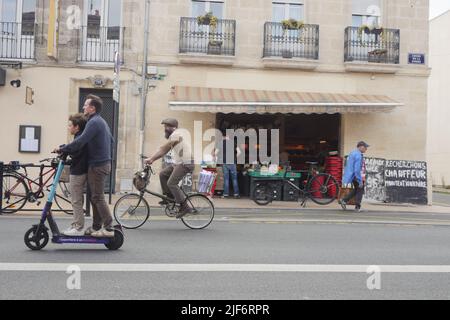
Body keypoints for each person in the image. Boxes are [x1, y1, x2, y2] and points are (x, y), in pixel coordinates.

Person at [56, 94, 114, 237]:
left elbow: (81, 141)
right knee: (94, 197)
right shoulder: (100, 121)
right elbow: (111, 141)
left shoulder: (94, 122)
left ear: (92, 108)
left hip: (97, 165)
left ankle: (108, 228)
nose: (83, 107)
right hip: (101, 163)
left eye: (85, 105)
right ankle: (95, 227)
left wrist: (63, 149)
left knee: (97, 197)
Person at [144, 118, 195, 218]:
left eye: (168, 127)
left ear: (174, 128)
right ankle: (169, 198)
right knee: (163, 174)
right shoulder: (173, 136)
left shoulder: (176, 135)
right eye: (165, 126)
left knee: (171, 183)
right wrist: (151, 157)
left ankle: (185, 207)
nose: (165, 129)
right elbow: (162, 148)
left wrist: (152, 159)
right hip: (178, 163)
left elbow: (164, 150)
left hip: (186, 163)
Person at [62, 114, 88, 236]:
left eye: (70, 125)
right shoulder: (80, 136)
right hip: (80, 170)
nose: (68, 128)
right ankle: (77, 225)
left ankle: (78, 227)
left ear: (76, 127)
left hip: (78, 172)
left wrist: (63, 150)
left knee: (76, 200)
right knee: (78, 200)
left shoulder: (79, 138)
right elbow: (76, 154)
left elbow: (76, 153)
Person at [339, 141, 369, 213]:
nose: (366, 149)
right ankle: (357, 207)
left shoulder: (352, 152)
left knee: (356, 189)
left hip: (351, 175)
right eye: (365, 147)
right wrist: (360, 180)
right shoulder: (358, 155)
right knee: (360, 189)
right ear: (361, 147)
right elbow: (357, 169)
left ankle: (344, 200)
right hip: (356, 175)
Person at [213, 133, 241, 199]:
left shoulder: (220, 143)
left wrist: (217, 157)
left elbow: (216, 153)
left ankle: (226, 194)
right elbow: (239, 152)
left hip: (225, 163)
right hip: (232, 162)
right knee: (234, 179)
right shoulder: (233, 142)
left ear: (223, 136)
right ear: (228, 136)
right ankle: (236, 194)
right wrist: (234, 158)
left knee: (226, 179)